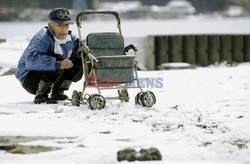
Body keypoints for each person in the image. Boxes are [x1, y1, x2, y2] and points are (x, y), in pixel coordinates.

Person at [16, 7, 83, 104]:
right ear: (51, 24)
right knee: (57, 58)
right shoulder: (42, 38)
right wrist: (58, 64)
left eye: (66, 25)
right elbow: (30, 61)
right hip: (30, 79)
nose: (63, 28)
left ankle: (58, 92)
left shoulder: (72, 39)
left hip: (52, 77)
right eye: (59, 25)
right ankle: (41, 95)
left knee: (80, 59)